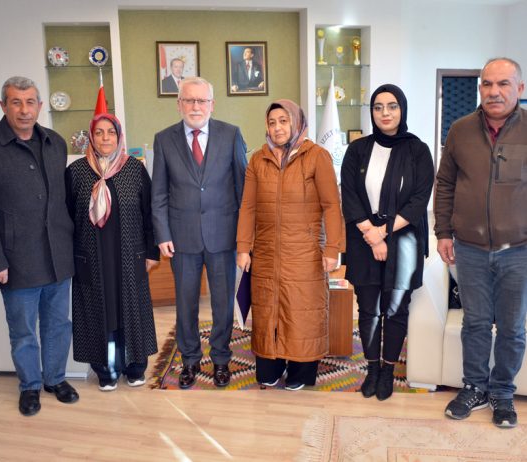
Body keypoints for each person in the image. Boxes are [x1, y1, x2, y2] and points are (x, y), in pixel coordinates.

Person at [435, 57, 527, 428]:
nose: (494, 92)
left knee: (512, 327)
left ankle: (502, 393)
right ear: (479, 89)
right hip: (470, 248)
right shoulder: (459, 130)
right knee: (474, 323)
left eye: (503, 84)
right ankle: (474, 387)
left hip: (518, 250)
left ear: (519, 88)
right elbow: (445, 183)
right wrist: (443, 231)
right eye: (487, 84)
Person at [236, 99, 342, 390]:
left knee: (301, 312)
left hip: (305, 252)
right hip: (266, 252)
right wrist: (243, 247)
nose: (278, 128)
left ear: (296, 123)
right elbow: (248, 207)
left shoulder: (316, 156)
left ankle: (300, 371)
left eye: (284, 121)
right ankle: (272, 364)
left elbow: (332, 205)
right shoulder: (258, 159)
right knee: (267, 310)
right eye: (272, 122)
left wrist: (333, 249)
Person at [152, 76, 247, 389]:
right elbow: (159, 193)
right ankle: (190, 360)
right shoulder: (164, 139)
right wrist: (163, 233)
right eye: (189, 100)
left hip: (224, 236)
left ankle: (220, 359)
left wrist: (244, 237)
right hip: (182, 238)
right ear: (179, 104)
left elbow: (243, 189)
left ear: (212, 104)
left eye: (201, 100)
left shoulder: (231, 135)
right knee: (186, 304)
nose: (195, 106)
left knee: (223, 304)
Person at [341, 84, 434, 401]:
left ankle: (388, 371)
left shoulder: (418, 150)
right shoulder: (357, 149)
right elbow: (349, 195)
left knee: (395, 310)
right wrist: (371, 233)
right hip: (363, 238)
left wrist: (383, 233)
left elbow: (419, 200)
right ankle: (371, 369)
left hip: (403, 240)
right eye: (378, 107)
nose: (385, 113)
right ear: (372, 112)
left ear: (402, 109)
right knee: (368, 308)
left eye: (392, 106)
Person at [0, 76, 79, 416]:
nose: (24, 110)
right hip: (16, 259)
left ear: (40, 106)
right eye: (16, 102)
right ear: (3, 106)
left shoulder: (55, 142)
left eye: (30, 102)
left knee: (58, 324)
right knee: (24, 332)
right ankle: (29, 386)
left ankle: (55, 379)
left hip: (58, 254)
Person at [66, 113, 159, 391]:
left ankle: (135, 366)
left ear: (119, 137)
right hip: (91, 257)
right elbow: (66, 218)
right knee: (99, 312)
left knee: (131, 309)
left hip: (129, 255)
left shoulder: (134, 169)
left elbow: (149, 213)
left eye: (111, 132)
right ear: (91, 137)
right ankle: (105, 369)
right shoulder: (76, 172)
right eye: (99, 132)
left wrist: (152, 252)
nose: (105, 138)